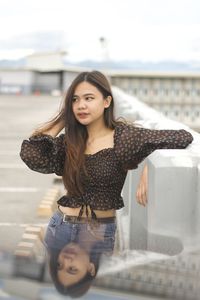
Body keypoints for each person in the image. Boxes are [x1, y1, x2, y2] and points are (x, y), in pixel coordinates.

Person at [19, 70, 193, 292]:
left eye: (89, 98)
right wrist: (64, 118)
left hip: (98, 233)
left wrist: (148, 161)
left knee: (92, 292)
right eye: (75, 100)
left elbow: (182, 137)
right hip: (60, 228)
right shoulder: (68, 142)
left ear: (107, 101)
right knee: (58, 290)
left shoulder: (125, 138)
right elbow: (32, 154)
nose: (81, 105)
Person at [43, 209, 116, 297]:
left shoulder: (54, 240)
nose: (66, 260)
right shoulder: (111, 247)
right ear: (90, 268)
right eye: (73, 269)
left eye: (59, 264)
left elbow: (68, 204)